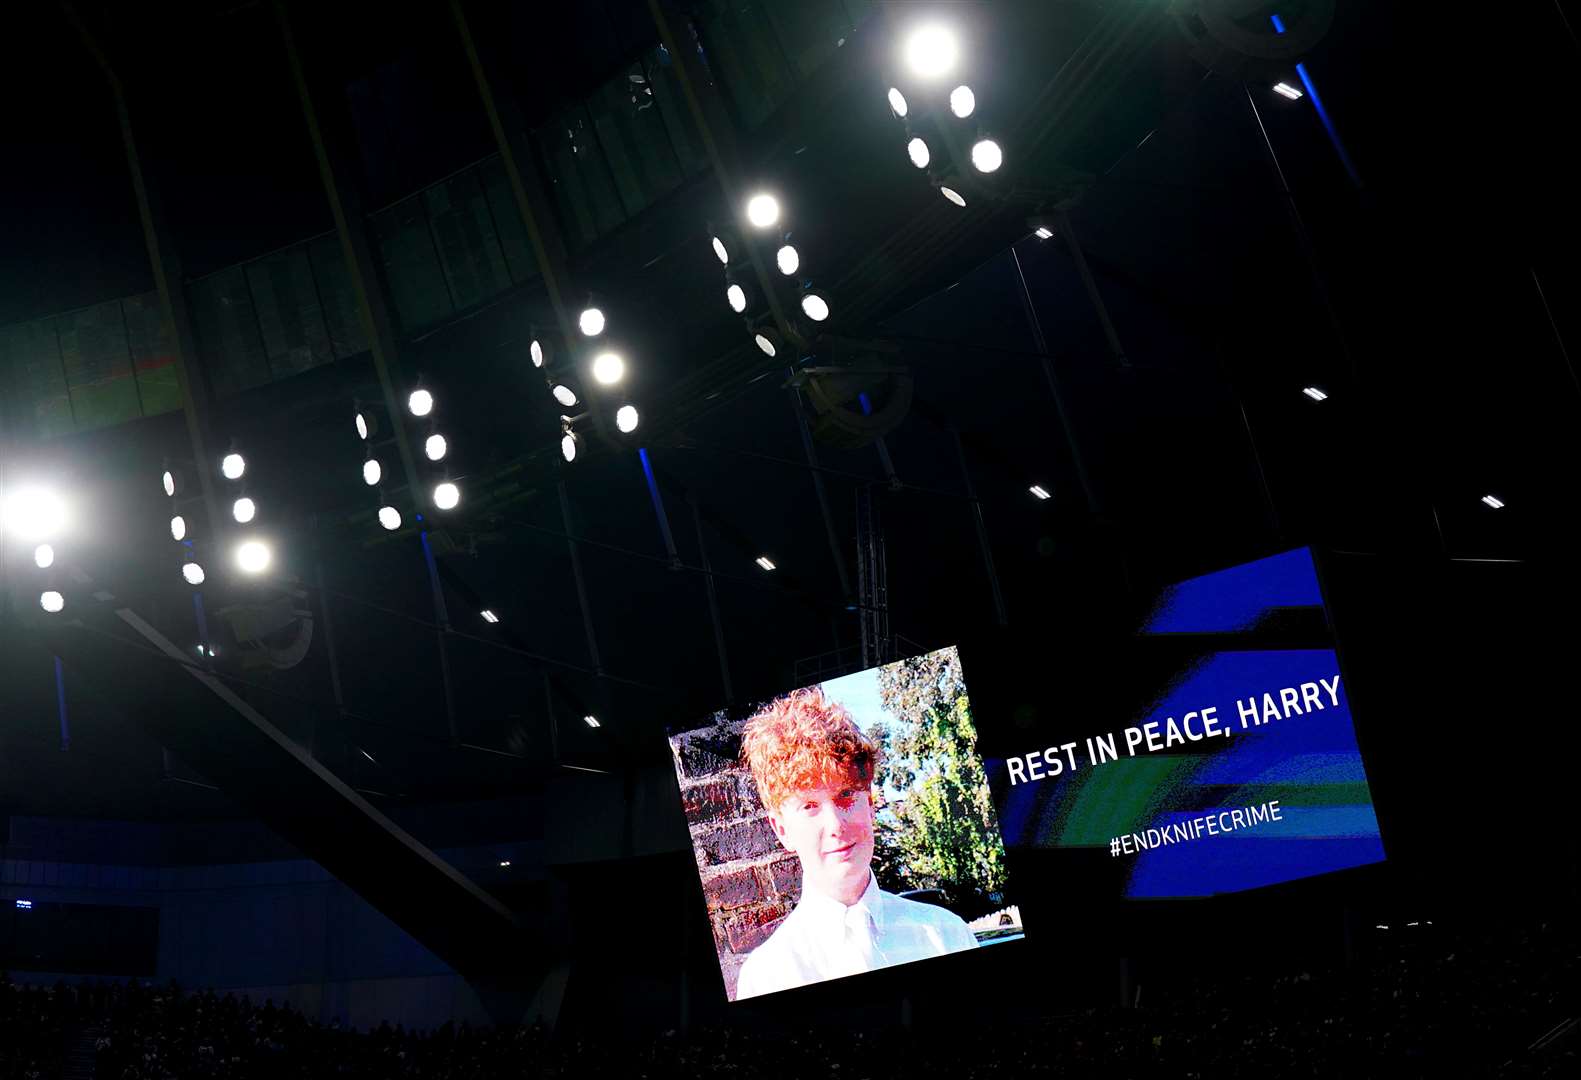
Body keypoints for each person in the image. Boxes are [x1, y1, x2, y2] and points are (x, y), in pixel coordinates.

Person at [734, 686, 978, 1000]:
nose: (835, 825)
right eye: (809, 806)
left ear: (871, 803)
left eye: (846, 796)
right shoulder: (768, 976)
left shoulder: (946, 935)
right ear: (782, 829)